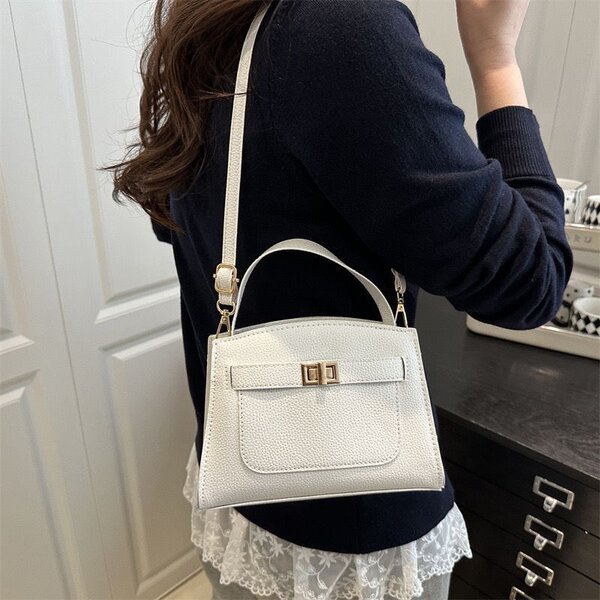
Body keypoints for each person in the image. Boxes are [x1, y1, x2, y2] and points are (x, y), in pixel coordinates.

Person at [104, 0, 573, 598]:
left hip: (241, 487)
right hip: (345, 544)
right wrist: (496, 58)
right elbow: (530, 283)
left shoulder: (223, 19)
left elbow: (189, 221)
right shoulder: (344, 25)